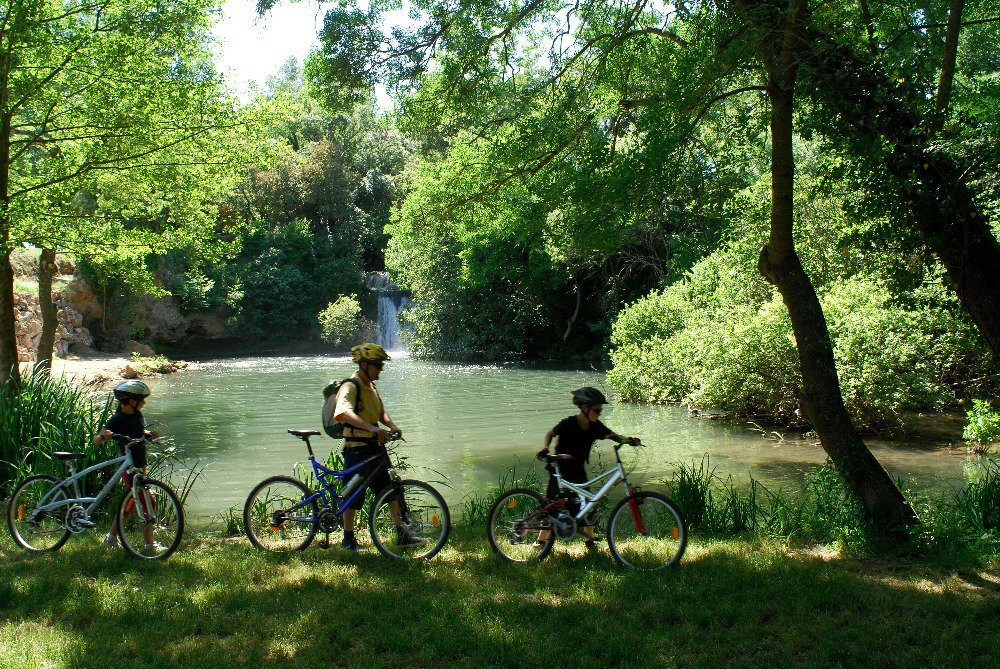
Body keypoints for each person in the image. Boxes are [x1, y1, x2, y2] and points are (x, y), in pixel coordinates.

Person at [332, 343, 424, 552]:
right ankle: (348, 539)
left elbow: (381, 412)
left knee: (389, 490)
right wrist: (371, 429)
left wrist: (391, 425)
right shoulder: (350, 385)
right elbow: (343, 413)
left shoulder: (371, 386)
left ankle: (401, 534)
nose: (380, 368)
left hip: (374, 447)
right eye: (377, 365)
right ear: (364, 365)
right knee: (354, 495)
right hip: (357, 448)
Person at [535, 387, 637, 549]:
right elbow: (550, 433)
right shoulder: (568, 423)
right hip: (559, 469)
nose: (599, 413)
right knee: (553, 505)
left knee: (589, 502)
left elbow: (611, 435)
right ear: (585, 408)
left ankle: (589, 539)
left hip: (578, 470)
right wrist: (546, 448)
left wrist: (628, 440)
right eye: (596, 410)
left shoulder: (595, 426)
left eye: (600, 410)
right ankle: (541, 540)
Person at [93, 379, 160, 551]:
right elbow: (97, 439)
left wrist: (148, 434)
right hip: (128, 466)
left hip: (140, 464)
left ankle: (111, 537)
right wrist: (104, 436)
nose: (144, 403)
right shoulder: (117, 419)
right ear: (129, 401)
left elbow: (139, 431)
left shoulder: (138, 416)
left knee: (131, 503)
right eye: (141, 399)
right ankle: (148, 544)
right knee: (147, 502)